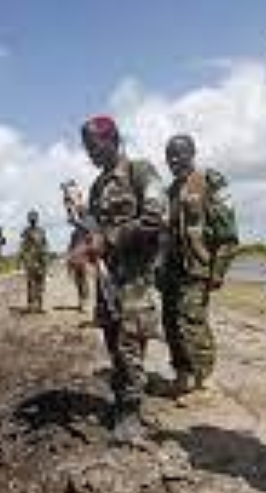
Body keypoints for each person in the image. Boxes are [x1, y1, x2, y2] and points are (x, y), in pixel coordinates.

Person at [72, 115, 167, 444]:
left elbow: (155, 218)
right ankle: (121, 401)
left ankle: (132, 412)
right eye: (86, 147)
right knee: (113, 342)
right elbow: (94, 230)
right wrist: (82, 245)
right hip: (108, 280)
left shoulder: (140, 171)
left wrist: (108, 239)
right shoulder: (98, 187)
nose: (90, 153)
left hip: (135, 280)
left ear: (112, 140)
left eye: (93, 145)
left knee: (130, 344)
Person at [160, 134, 238, 397]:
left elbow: (228, 234)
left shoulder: (210, 181)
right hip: (171, 269)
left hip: (197, 268)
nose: (173, 160)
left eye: (179, 154)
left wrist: (218, 272)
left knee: (192, 321)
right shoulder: (170, 191)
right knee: (171, 323)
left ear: (192, 154)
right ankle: (182, 377)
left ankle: (204, 381)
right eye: (169, 156)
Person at [18, 210, 49, 313]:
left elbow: (45, 245)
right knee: (31, 284)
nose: (33, 219)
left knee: (40, 283)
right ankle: (31, 305)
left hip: (41, 260)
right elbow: (23, 246)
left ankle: (40, 305)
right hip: (30, 261)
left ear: (37, 219)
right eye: (31, 218)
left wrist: (45, 259)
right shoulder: (26, 232)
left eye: (34, 217)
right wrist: (23, 260)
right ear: (28, 219)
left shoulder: (41, 231)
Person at [66, 224, 92, 312]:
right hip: (77, 261)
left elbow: (91, 247)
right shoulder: (74, 235)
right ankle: (82, 301)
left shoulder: (86, 234)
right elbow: (70, 248)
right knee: (79, 282)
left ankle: (84, 302)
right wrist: (70, 263)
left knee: (84, 282)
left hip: (83, 262)